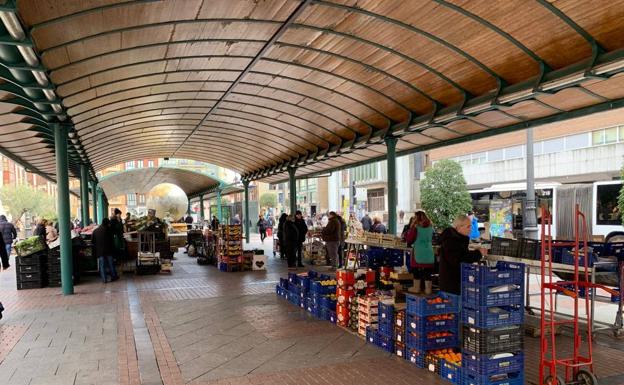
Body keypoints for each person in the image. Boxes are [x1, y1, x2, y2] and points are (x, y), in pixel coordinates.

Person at [439, 215, 487, 295]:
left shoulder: (458, 239)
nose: (470, 229)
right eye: (468, 227)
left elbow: (461, 256)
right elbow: (459, 260)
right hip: (451, 284)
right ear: (459, 227)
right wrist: (478, 253)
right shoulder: (451, 240)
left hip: (455, 282)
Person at [410, 211, 435, 294]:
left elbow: (410, 239)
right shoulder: (431, 227)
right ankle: (428, 289)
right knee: (427, 271)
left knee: (416, 270)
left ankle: (416, 288)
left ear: (417, 218)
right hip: (428, 251)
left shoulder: (416, 228)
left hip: (418, 251)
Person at [92, 218, 118, 283]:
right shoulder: (109, 231)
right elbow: (112, 241)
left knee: (102, 265)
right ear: (107, 223)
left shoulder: (95, 231)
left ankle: (104, 279)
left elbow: (93, 241)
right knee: (111, 264)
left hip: (100, 251)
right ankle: (114, 276)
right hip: (108, 250)